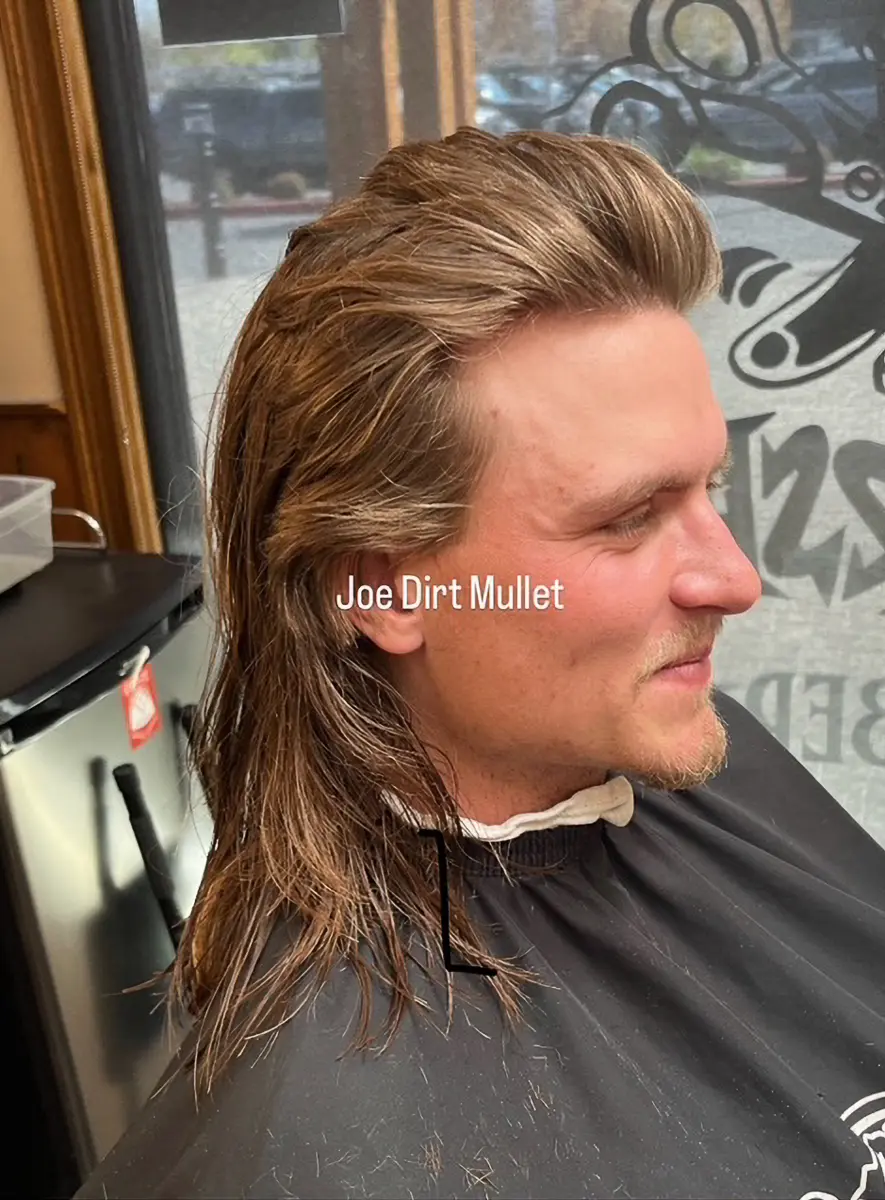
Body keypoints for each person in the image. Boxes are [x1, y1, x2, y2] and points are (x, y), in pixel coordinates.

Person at [76, 128, 885, 1200]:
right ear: (384, 587)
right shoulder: (330, 1147)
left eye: (711, 490)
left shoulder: (698, 760)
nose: (737, 581)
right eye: (631, 518)